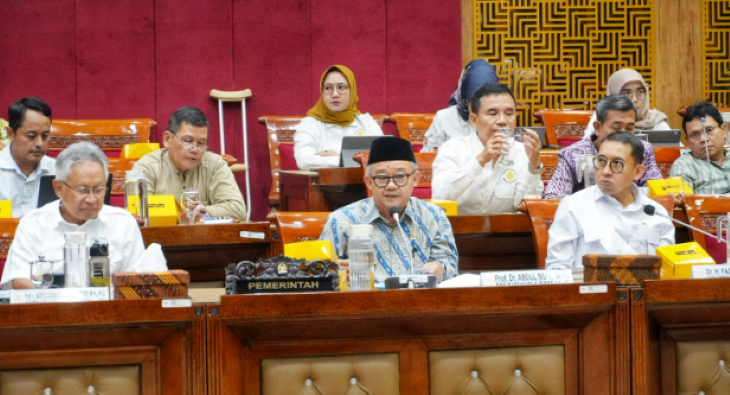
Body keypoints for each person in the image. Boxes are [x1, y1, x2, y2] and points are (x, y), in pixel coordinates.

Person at [0, 142, 154, 289]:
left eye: (99, 189)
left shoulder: (123, 223)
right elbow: (19, 281)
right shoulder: (34, 223)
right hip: (50, 312)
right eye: (82, 190)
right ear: (59, 188)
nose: (92, 199)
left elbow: (135, 282)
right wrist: (69, 296)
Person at [320, 137, 458, 283]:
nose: (391, 185)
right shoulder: (341, 220)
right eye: (381, 177)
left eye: (400, 176)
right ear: (369, 182)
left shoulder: (434, 216)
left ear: (416, 179)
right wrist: (334, 273)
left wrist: (441, 268)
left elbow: (449, 263)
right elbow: (319, 274)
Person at [545, 132, 675, 269]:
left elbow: (665, 272)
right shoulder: (574, 206)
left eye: (617, 164)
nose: (606, 171)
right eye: (601, 161)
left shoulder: (656, 213)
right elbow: (557, 269)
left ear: (637, 172)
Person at [432, 83, 543, 214]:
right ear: (474, 120)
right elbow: (440, 195)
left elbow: (526, 206)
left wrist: (534, 166)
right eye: (493, 113)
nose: (502, 121)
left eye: (509, 113)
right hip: (458, 231)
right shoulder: (453, 148)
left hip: (508, 232)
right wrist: (481, 159)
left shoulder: (522, 151)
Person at [133, 106, 247, 221]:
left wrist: (204, 211)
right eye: (187, 141)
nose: (195, 149)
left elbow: (238, 209)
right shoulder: (147, 167)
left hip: (205, 238)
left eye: (201, 143)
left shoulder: (215, 165)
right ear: (167, 139)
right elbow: (138, 212)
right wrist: (182, 214)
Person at [543, 95, 662, 199]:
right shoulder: (572, 154)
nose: (624, 134)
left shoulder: (643, 150)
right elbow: (552, 197)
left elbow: (659, 193)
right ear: (598, 127)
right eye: (616, 128)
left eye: (630, 128)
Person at [294, 65, 383, 169]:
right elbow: (304, 161)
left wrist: (341, 157)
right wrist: (356, 160)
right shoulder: (309, 124)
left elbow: (382, 158)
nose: (335, 94)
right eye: (328, 88)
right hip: (323, 184)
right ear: (322, 92)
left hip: (364, 184)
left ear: (352, 90)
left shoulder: (366, 122)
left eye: (341, 87)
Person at [422, 59, 499, 152]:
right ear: (464, 96)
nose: (478, 107)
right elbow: (428, 156)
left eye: (486, 102)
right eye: (473, 100)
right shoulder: (444, 118)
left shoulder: (501, 119)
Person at [0, 97, 56, 217]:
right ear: (10, 134)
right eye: (31, 136)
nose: (40, 143)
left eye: (45, 136)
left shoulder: (57, 171)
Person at [582, 69, 670, 138]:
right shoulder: (601, 117)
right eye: (626, 93)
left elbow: (678, 151)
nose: (635, 99)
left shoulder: (655, 119)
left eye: (640, 92)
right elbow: (586, 149)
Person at [670, 101, 730, 194]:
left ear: (724, 129)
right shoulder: (684, 166)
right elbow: (679, 203)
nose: (703, 139)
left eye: (709, 130)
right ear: (688, 141)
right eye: (694, 134)